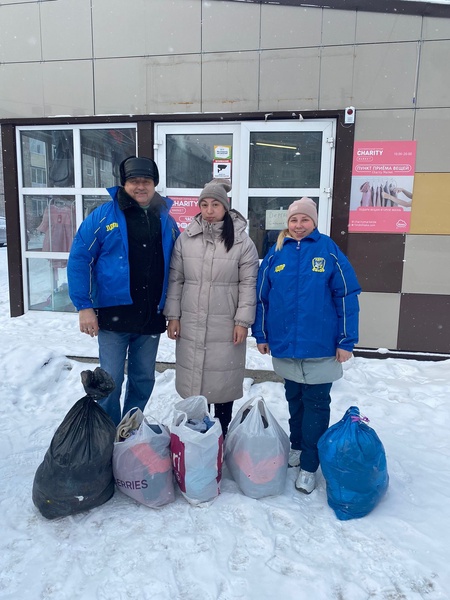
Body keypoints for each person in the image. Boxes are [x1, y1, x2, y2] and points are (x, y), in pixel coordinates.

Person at [252, 197, 361, 494]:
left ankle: (310, 465)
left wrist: (346, 340)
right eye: (294, 220)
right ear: (287, 223)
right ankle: (298, 447)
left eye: (305, 220)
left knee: (316, 403)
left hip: (321, 346)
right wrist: (261, 335)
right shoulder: (276, 254)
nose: (299, 226)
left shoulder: (328, 251)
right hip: (286, 344)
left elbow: (346, 297)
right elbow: (261, 299)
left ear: (314, 222)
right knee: (294, 398)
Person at [68, 156, 180, 425]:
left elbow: (180, 266)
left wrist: (175, 311)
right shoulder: (103, 216)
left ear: (155, 184)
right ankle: (107, 432)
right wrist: (84, 306)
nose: (140, 187)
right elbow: (79, 258)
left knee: (143, 378)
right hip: (113, 315)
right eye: (134, 181)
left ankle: (130, 428)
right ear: (124, 183)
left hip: (151, 314)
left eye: (146, 181)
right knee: (110, 381)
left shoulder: (165, 218)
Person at [164, 178, 259, 437]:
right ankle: (199, 435)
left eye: (214, 204)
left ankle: (222, 432)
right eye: (204, 204)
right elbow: (176, 278)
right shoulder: (186, 239)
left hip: (225, 324)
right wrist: (173, 316)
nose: (208, 210)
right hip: (191, 322)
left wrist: (242, 321)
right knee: (195, 380)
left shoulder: (241, 242)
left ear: (225, 207)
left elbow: (249, 284)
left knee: (223, 379)